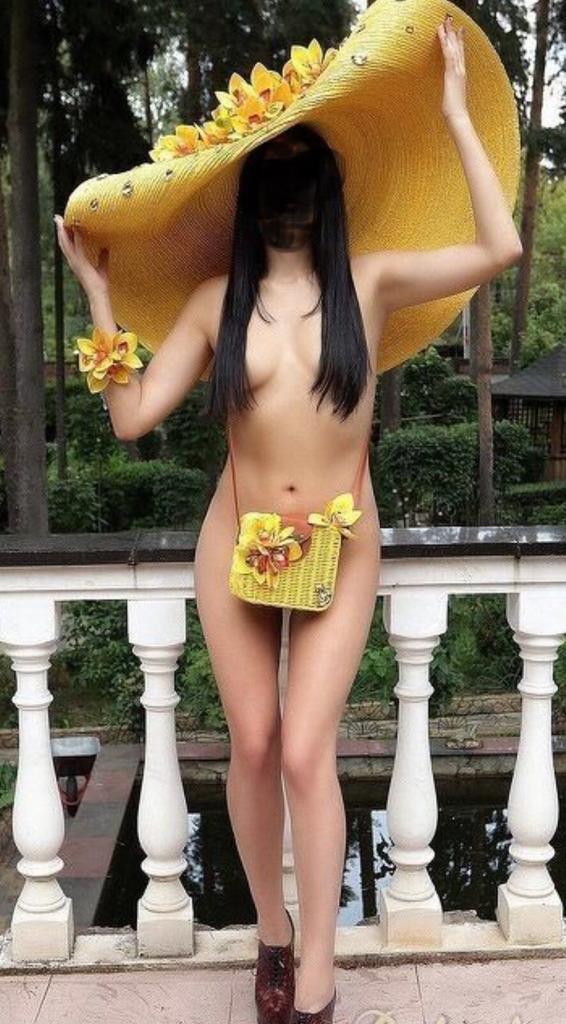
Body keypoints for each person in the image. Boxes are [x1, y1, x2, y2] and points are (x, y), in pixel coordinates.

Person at [55, 14, 522, 1022]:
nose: (289, 193)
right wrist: (98, 293)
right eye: (272, 175)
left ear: (329, 191)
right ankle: (272, 932)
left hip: (342, 548)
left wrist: (452, 110)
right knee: (255, 746)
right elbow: (132, 416)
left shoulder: (372, 281)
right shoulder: (212, 301)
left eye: (304, 173)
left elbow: (501, 245)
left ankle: (316, 973)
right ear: (247, 199)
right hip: (234, 542)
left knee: (309, 751)